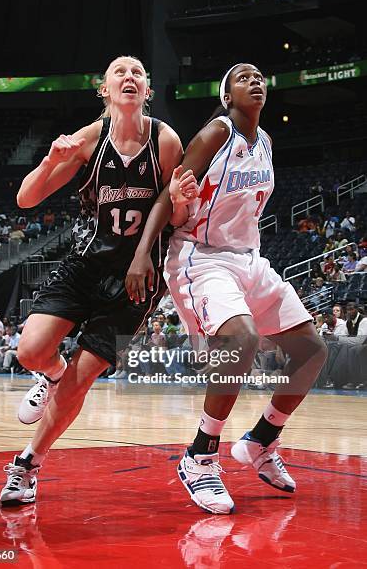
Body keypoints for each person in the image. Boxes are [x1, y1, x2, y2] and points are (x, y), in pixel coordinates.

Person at [126, 62, 327, 514]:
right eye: (243, 77)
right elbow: (166, 196)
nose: (255, 81)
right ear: (226, 96)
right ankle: (200, 455)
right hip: (202, 255)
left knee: (312, 350)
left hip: (249, 258)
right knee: (241, 339)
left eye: (260, 76)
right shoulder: (216, 134)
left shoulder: (267, 142)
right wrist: (142, 254)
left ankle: (261, 441)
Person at [0, 55, 183, 505]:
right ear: (104, 90)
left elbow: (175, 216)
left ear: (147, 90)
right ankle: (52, 374)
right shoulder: (90, 139)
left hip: (137, 280)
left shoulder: (165, 140)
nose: (129, 77)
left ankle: (27, 465)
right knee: (30, 351)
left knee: (84, 379)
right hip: (85, 262)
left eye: (137, 72)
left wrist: (180, 205)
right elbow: (26, 198)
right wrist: (49, 161)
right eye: (119, 72)